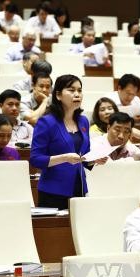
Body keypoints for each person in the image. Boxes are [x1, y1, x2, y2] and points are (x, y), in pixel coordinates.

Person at [30, 75, 104, 210]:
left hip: (79, 187)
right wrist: (64, 158)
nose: (77, 94)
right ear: (58, 95)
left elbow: (83, 156)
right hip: (53, 191)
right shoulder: (46, 122)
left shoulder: (83, 121)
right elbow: (36, 159)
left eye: (79, 90)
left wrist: (95, 160)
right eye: (71, 90)